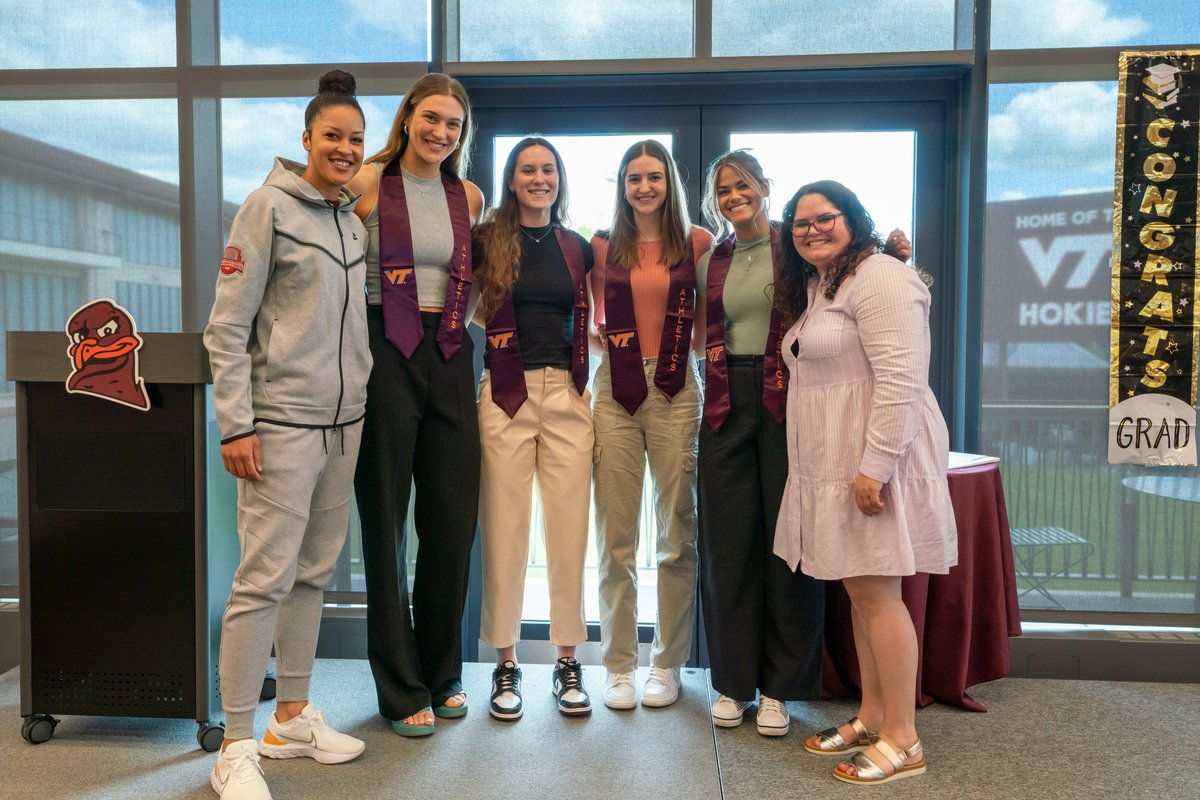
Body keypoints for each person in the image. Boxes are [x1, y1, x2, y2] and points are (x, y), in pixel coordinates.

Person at [696, 151, 913, 737]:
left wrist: (896, 254)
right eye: (723, 189)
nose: (734, 196)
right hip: (721, 401)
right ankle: (732, 683)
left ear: (766, 188)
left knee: (789, 545)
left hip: (790, 397)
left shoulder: (792, 245)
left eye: (743, 185)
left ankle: (780, 689)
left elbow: (851, 267)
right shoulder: (710, 257)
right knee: (728, 543)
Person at [204, 70, 370, 800]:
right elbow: (228, 327)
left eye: (356, 139)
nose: (344, 147)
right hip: (279, 426)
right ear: (306, 138)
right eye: (332, 135)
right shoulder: (267, 208)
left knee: (312, 574)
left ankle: (292, 718)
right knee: (261, 581)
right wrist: (236, 424)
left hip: (345, 429)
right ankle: (236, 743)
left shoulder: (351, 219)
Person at [773, 179, 956, 785]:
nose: (812, 230)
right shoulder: (822, 284)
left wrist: (874, 466)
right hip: (832, 459)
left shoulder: (881, 276)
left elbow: (902, 379)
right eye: (800, 223)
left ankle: (904, 739)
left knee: (879, 595)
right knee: (861, 592)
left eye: (825, 218)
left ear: (853, 220)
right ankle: (874, 714)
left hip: (874, 459)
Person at [346, 73, 485, 737]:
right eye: (431, 119)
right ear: (407, 119)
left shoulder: (469, 195)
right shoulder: (370, 184)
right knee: (384, 524)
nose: (440, 133)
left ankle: (442, 670)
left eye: (452, 125)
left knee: (452, 524)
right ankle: (400, 688)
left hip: (452, 352)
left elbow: (469, 280)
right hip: (383, 349)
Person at [473, 137, 595, 720]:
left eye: (548, 169)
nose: (539, 178)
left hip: (568, 394)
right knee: (505, 526)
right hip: (505, 392)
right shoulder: (488, 239)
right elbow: (465, 304)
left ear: (558, 178)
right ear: (512, 179)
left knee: (569, 527)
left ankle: (567, 660)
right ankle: (505, 663)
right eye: (528, 169)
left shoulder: (578, 246)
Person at [589, 139, 712, 710]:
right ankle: (618, 665)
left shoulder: (697, 243)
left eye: (654, 177)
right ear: (622, 185)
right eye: (634, 178)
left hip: (675, 389)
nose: (643, 187)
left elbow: (713, 321)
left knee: (675, 534)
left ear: (669, 184)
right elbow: (587, 318)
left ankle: (666, 662)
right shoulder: (602, 246)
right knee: (615, 538)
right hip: (614, 391)